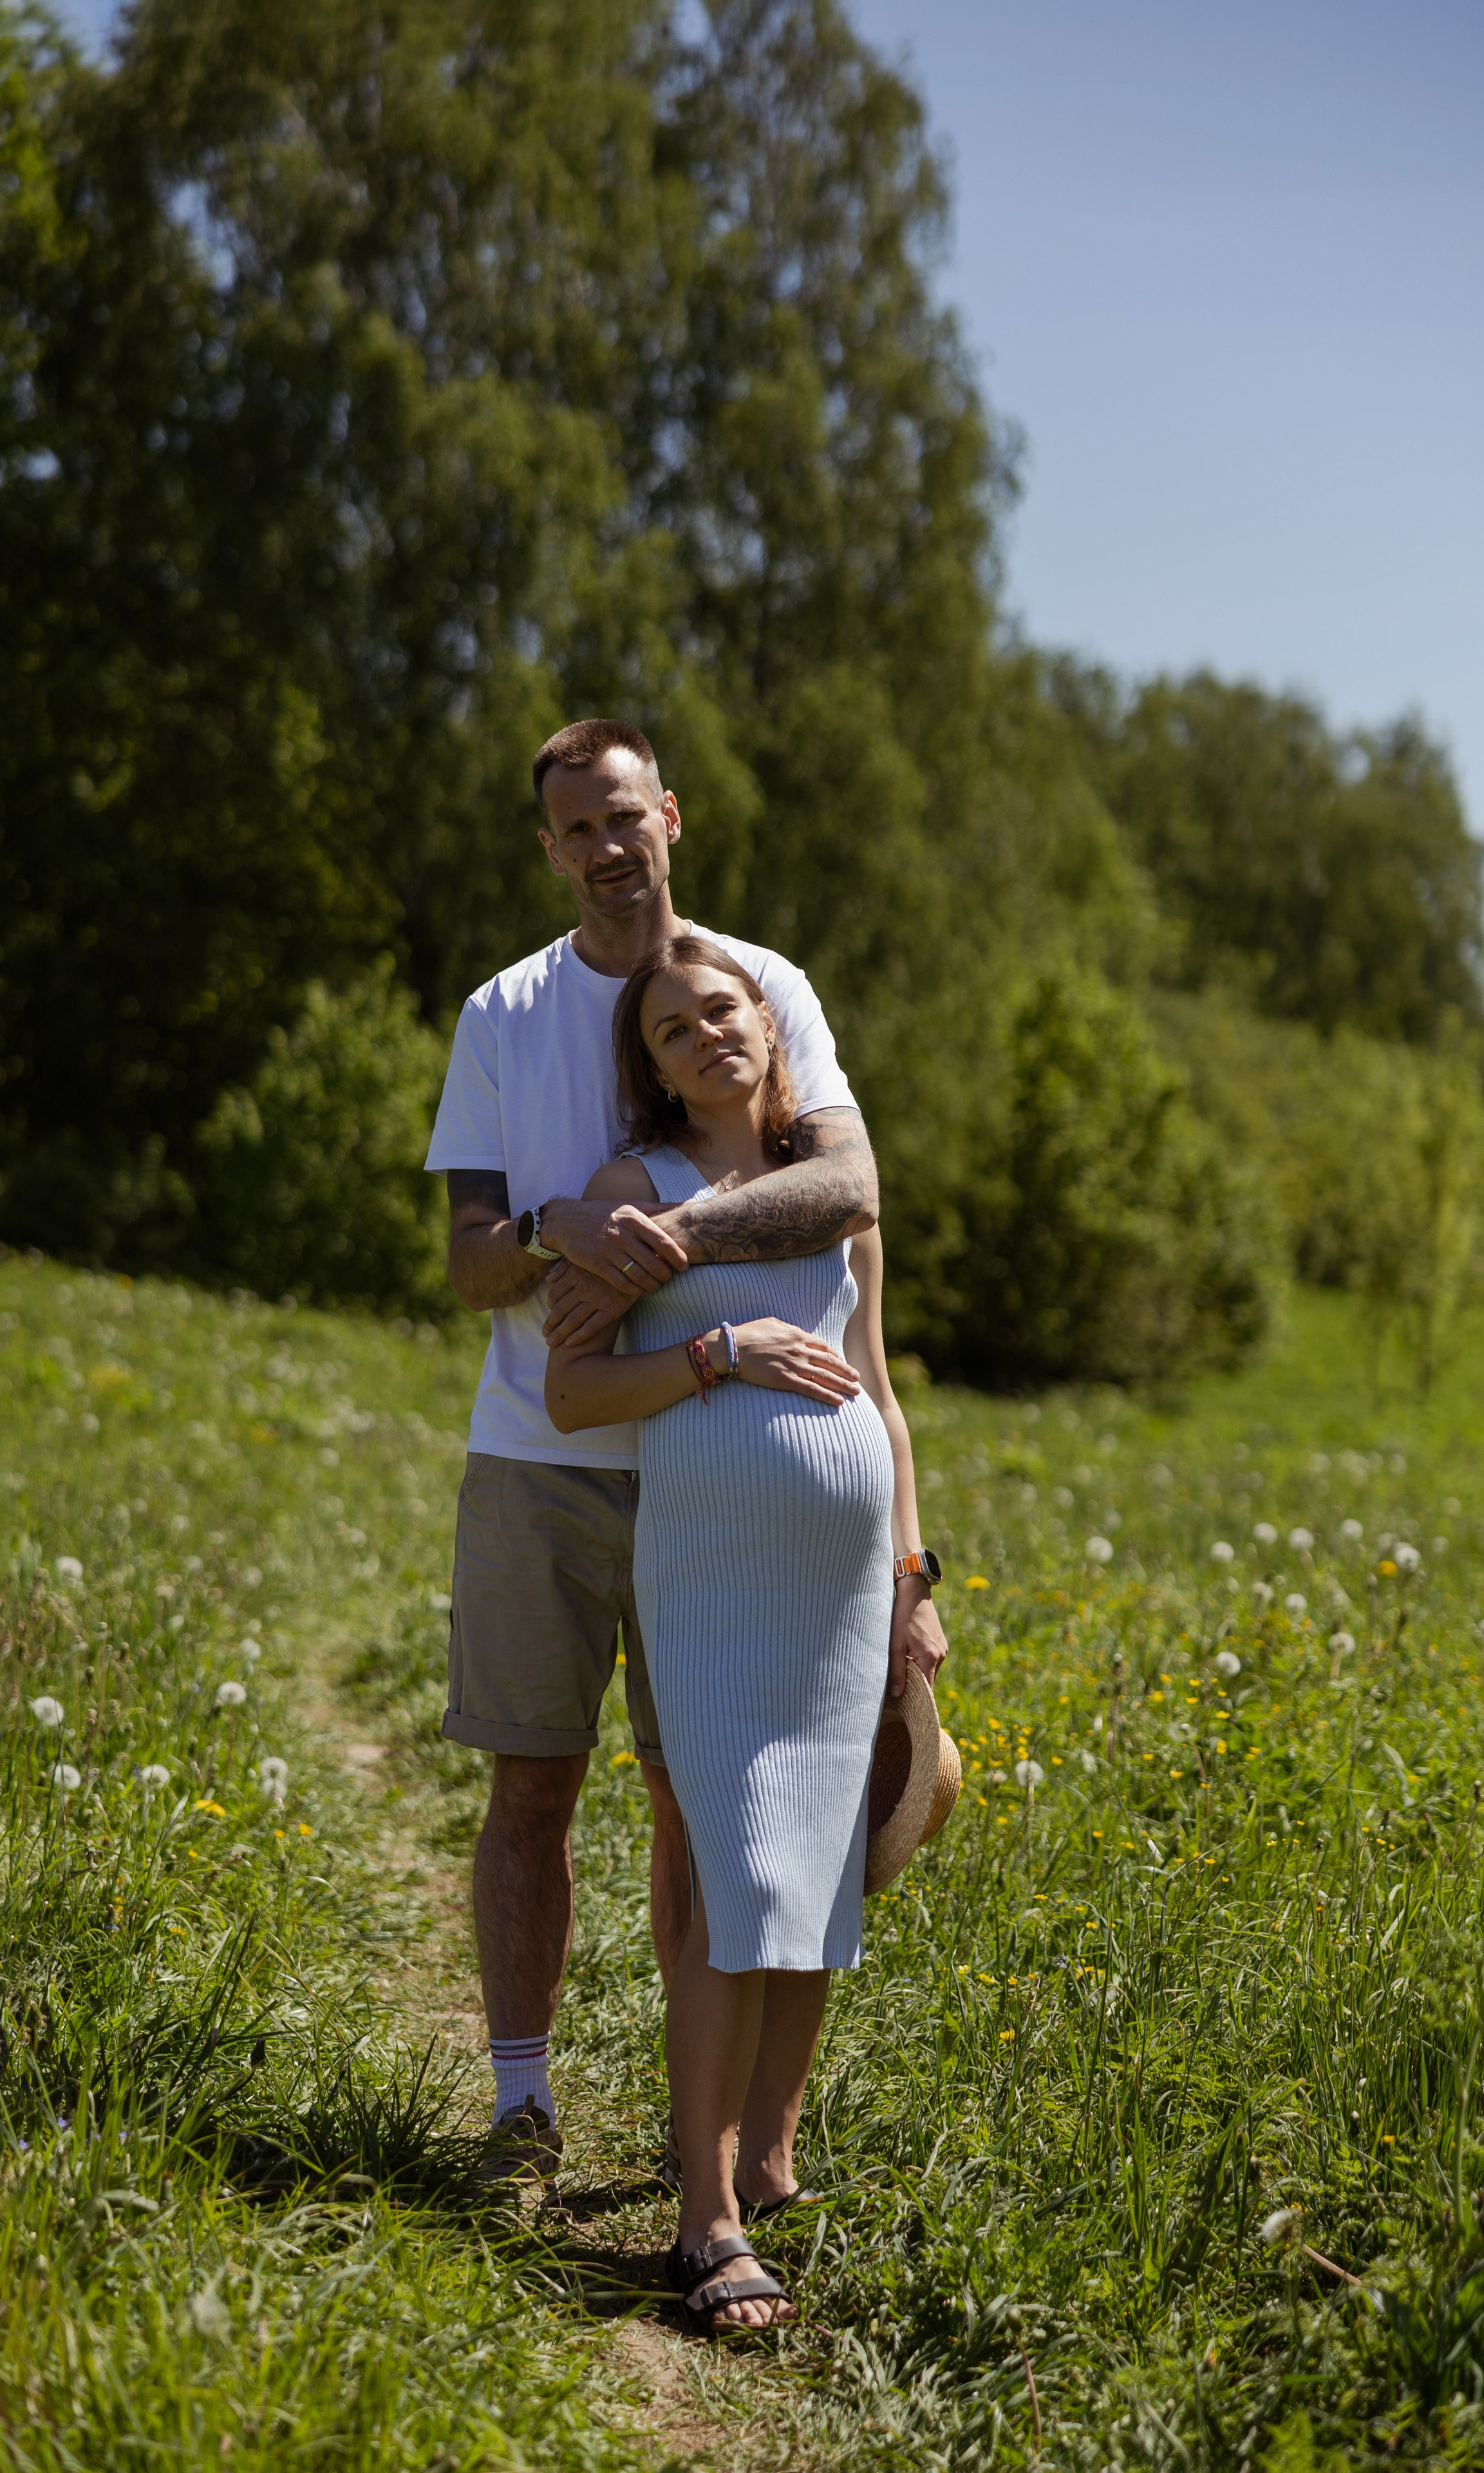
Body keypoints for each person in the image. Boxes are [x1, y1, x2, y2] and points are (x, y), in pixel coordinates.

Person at [424, 717, 946, 2187]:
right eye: (574, 826)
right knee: (530, 1781)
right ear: (550, 848)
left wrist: (653, 1248)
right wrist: (549, 1233)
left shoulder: (763, 983)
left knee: (694, 1797)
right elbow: (470, 1264)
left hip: (722, 1486)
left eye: (624, 815)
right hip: (547, 1453)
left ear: (671, 817)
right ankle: (521, 2103)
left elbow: (845, 1187)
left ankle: (701, 2141)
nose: (605, 844)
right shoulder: (501, 1013)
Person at [545, 933, 949, 2331]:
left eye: (725, 1009)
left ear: (770, 1028)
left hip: (843, 1581)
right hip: (711, 1573)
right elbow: (574, 1394)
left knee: (815, 1882)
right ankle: (700, 2219)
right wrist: (718, 1351)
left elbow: (884, 1396)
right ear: (651, 1072)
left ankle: (769, 2168)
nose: (708, 1033)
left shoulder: (834, 1197)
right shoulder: (632, 1192)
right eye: (674, 1029)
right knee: (729, 1881)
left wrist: (913, 1573)